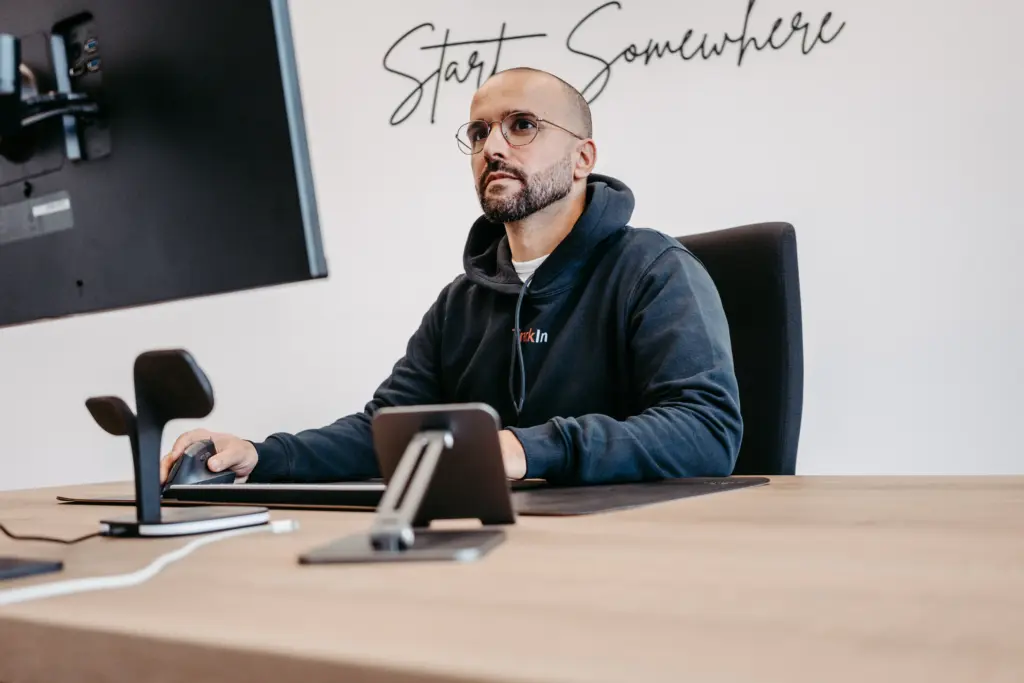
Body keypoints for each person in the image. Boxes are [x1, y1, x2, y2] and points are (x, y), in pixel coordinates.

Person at [160, 67, 743, 487]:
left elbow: (706, 430)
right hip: (499, 546)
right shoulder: (461, 302)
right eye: (479, 132)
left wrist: (526, 448)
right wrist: (260, 456)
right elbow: (387, 433)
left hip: (630, 554)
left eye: (521, 125)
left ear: (582, 159)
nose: (493, 147)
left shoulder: (654, 270)